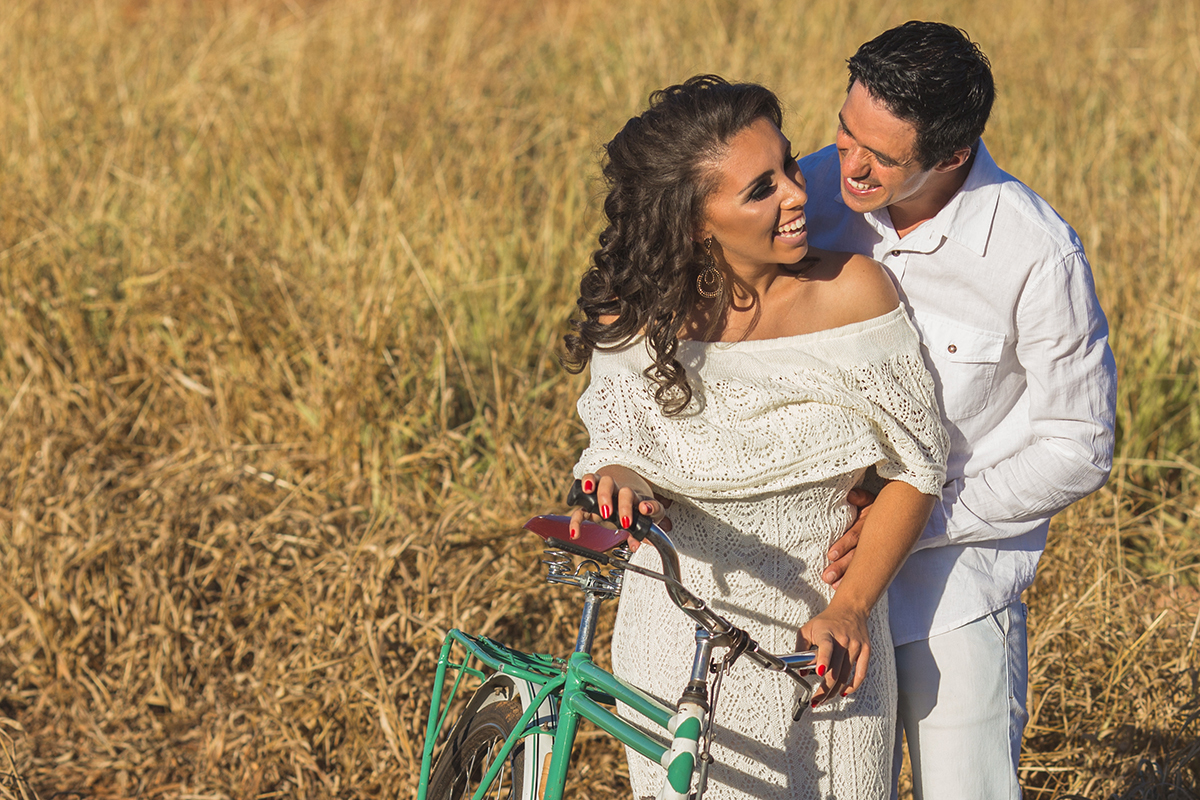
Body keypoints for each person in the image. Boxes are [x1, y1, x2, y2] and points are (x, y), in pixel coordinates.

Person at [563, 75, 948, 799]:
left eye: (789, 166)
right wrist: (619, 480)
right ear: (694, 222)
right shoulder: (635, 313)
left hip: (825, 642)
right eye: (761, 189)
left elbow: (918, 467)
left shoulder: (855, 293)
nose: (798, 193)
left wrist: (852, 606)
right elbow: (617, 447)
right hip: (673, 634)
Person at [798, 21, 1117, 800]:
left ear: (952, 155)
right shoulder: (808, 189)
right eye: (845, 131)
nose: (850, 164)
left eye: (881, 157)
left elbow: (1079, 444)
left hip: (957, 581)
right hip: (808, 569)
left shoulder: (1037, 253)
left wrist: (917, 520)